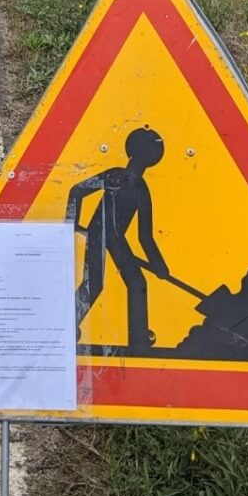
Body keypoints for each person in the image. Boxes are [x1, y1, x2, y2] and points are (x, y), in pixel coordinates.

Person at [65, 127, 168, 353]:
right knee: (94, 285)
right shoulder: (115, 176)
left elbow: (145, 236)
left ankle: (139, 339)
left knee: (136, 283)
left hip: (116, 238)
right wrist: (70, 223)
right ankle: (66, 327)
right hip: (99, 233)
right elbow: (77, 190)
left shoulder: (141, 190)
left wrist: (160, 265)